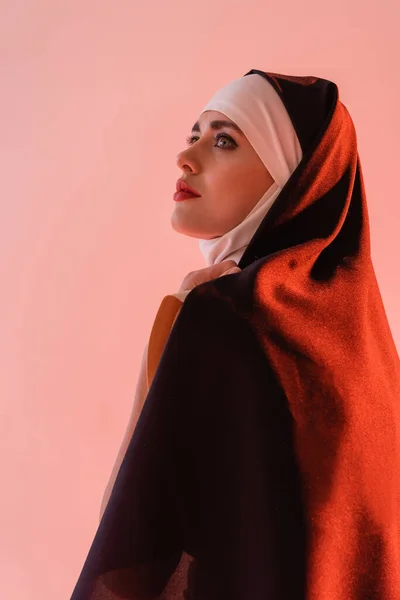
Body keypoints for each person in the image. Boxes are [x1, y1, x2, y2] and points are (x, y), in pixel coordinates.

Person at [70, 70, 400, 600]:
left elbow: (133, 529)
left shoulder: (219, 318)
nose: (188, 158)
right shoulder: (372, 353)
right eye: (193, 135)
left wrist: (177, 316)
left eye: (225, 140)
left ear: (295, 177)